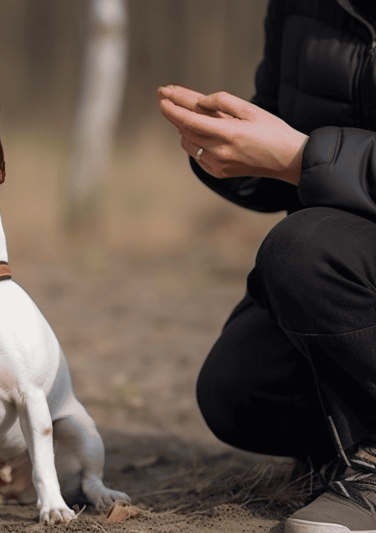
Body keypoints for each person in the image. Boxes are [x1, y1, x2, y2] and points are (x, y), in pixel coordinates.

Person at [158, 0, 376, 531]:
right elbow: (292, 147)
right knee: (239, 389)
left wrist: (301, 156)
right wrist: (226, 150)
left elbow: (303, 156)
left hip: (332, 253)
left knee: (303, 251)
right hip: (353, 248)